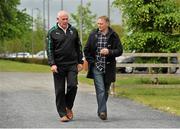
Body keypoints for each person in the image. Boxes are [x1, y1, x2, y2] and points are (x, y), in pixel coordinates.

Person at [46, 10, 83, 122]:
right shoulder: (52, 32)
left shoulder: (73, 31)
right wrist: (52, 64)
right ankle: (62, 113)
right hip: (58, 66)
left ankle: (68, 106)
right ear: (58, 20)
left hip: (72, 64)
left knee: (73, 86)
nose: (65, 21)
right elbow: (49, 49)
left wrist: (80, 62)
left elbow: (79, 47)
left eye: (67, 19)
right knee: (60, 90)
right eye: (63, 19)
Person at [84, 16, 123, 120]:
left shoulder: (114, 35)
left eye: (101, 24)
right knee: (100, 90)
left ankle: (100, 109)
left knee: (105, 91)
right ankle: (103, 112)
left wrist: (109, 52)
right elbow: (86, 51)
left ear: (107, 24)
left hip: (109, 67)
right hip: (96, 67)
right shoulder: (93, 34)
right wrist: (92, 62)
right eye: (98, 24)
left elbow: (119, 51)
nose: (99, 25)